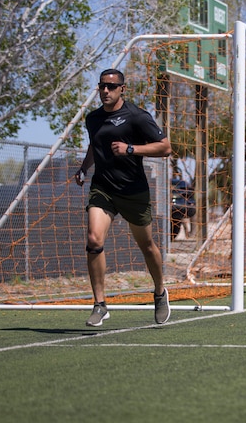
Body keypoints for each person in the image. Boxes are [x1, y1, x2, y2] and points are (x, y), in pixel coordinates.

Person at [74, 68, 173, 326]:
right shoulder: (92, 119)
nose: (105, 91)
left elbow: (165, 147)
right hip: (103, 188)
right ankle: (100, 304)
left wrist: (131, 149)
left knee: (147, 246)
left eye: (111, 86)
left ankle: (160, 292)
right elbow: (94, 146)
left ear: (122, 89)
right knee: (94, 239)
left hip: (133, 190)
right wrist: (84, 168)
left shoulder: (137, 117)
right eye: (102, 86)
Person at [170, 168, 195, 239]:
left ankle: (188, 234)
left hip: (180, 207)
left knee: (182, 220)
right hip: (179, 207)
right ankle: (187, 234)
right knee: (182, 220)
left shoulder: (181, 183)